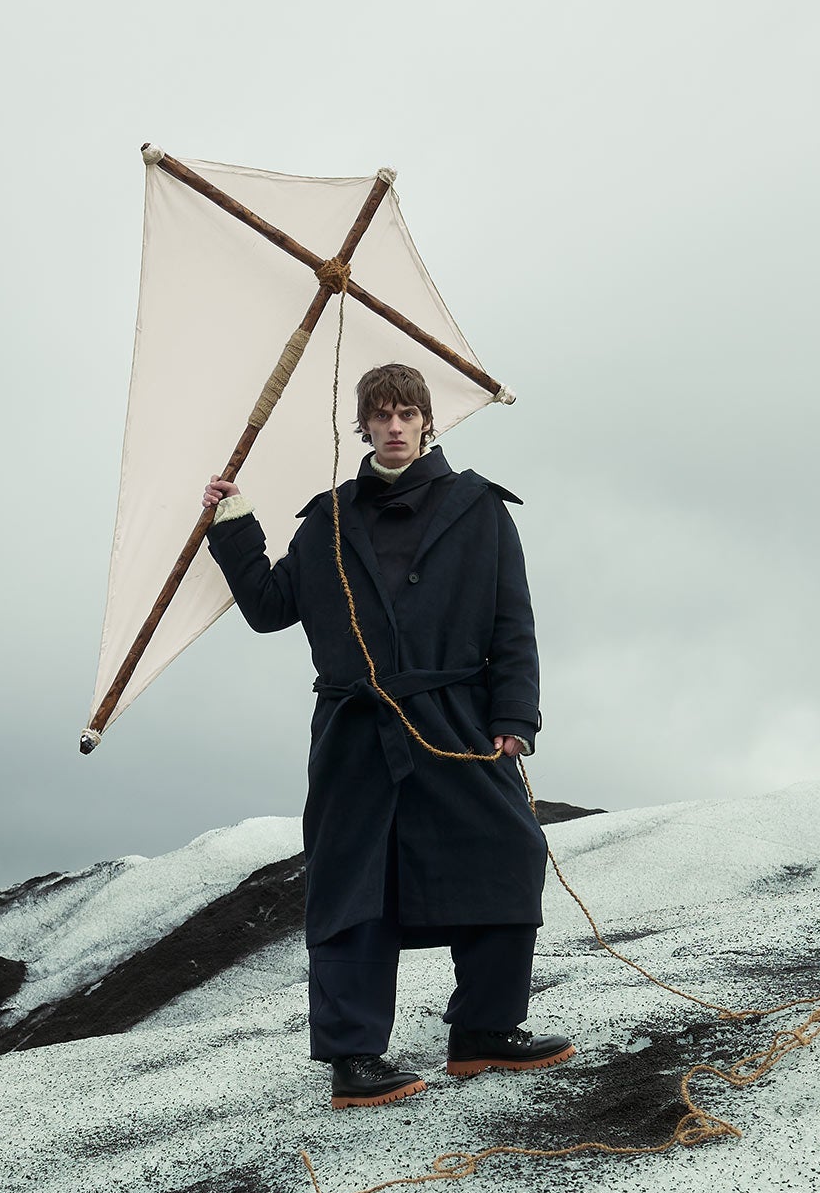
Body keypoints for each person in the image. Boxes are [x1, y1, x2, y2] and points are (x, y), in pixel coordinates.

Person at [202, 362, 571, 1109]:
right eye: (382, 415)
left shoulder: (480, 511)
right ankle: (354, 1057)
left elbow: (513, 624)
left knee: (508, 853)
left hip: (459, 720)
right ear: (363, 426)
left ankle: (484, 1033)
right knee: (353, 884)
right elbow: (273, 608)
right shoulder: (328, 521)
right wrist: (234, 525)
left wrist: (514, 718)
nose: (395, 427)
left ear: (428, 422)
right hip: (355, 728)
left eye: (408, 414)